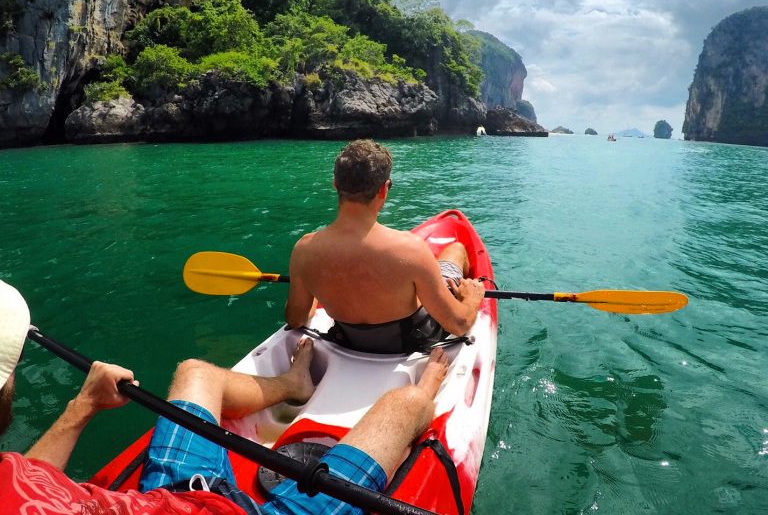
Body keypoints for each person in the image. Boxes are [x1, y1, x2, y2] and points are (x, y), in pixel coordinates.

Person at [0, 280, 449, 514]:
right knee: (404, 403)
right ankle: (431, 384)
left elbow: (24, 479)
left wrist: (83, 407)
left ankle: (292, 385)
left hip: (172, 495)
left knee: (196, 372)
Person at [286, 139, 486, 353]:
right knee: (456, 249)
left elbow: (296, 319)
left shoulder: (304, 250)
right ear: (383, 189)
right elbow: (459, 323)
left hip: (348, 341)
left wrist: (315, 286)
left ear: (335, 184)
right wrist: (471, 299)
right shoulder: (410, 249)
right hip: (413, 340)